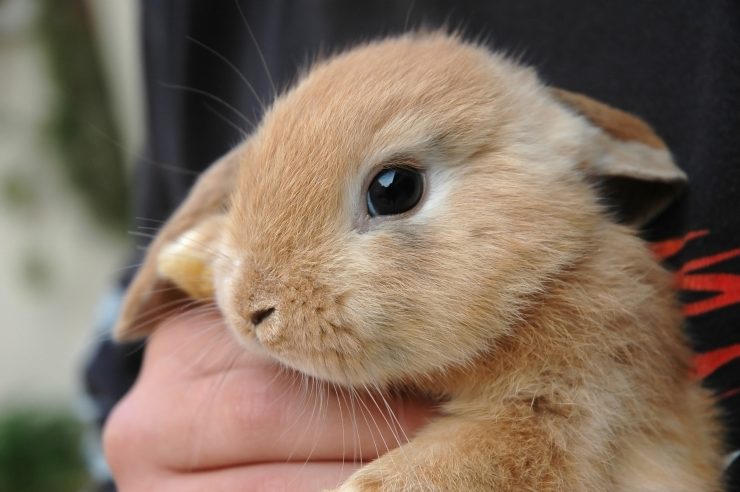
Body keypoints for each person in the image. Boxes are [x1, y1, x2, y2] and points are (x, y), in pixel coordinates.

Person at [87, 1, 740, 490]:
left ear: (569, 155)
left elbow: (553, 441)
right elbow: (118, 384)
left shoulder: (602, 307)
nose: (257, 308)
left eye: (393, 192)